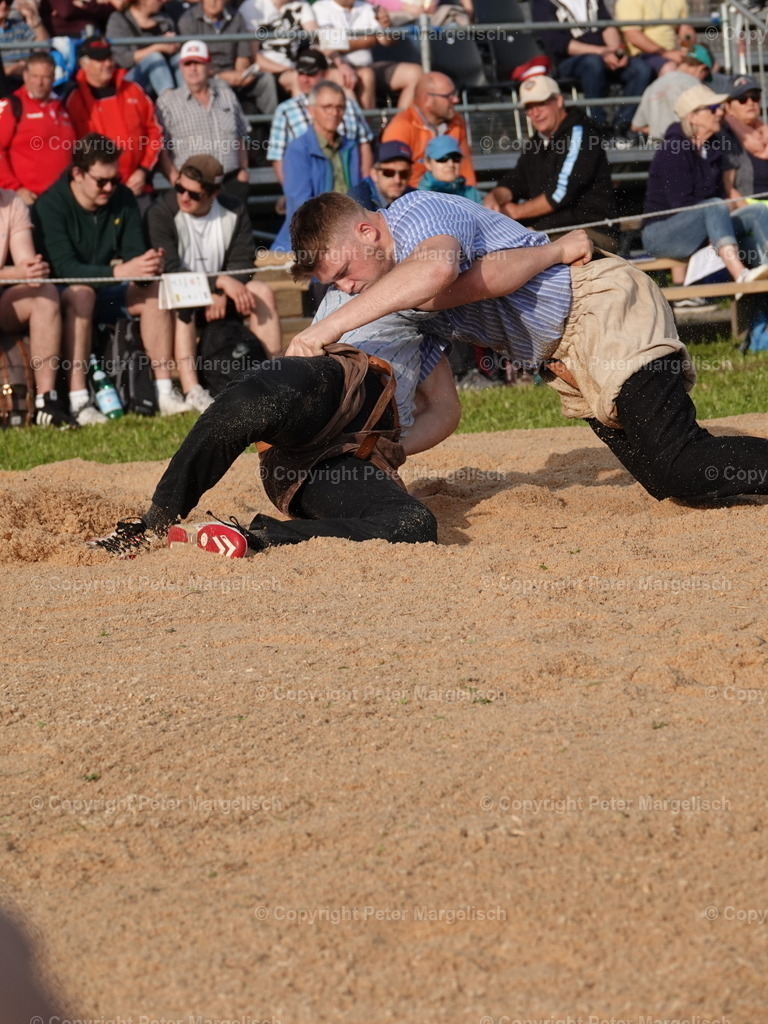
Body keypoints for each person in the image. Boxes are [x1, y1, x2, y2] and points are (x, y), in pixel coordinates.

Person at [285, 189, 768, 506]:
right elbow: (445, 411)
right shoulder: (401, 297)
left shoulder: (417, 212)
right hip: (568, 354)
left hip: (603, 308)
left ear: (368, 232)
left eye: (344, 272)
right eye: (336, 285)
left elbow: (437, 273)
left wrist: (319, 333)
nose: (346, 289)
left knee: (680, 465)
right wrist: (383, 452)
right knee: (666, 482)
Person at [32, 133, 186, 425]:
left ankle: (164, 390)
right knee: (81, 293)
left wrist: (148, 264)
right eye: (101, 181)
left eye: (115, 180)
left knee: (154, 289)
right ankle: (79, 399)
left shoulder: (123, 197)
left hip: (109, 291)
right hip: (61, 297)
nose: (110, 188)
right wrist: (122, 271)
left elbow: (133, 255)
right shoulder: (49, 205)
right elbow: (65, 269)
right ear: (77, 173)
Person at [145, 154, 281, 411]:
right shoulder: (161, 212)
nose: (184, 197)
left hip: (224, 295)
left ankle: (273, 375)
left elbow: (243, 261)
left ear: (214, 192)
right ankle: (192, 390)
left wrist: (221, 289)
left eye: (194, 194)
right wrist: (217, 283)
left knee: (262, 292)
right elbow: (171, 270)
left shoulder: (234, 209)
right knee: (184, 295)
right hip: (182, 298)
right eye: (179, 188)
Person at [642, 84, 768, 292]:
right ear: (693, 117)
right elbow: (680, 204)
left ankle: (763, 270)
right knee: (715, 206)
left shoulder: (712, 148)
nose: (720, 112)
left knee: (757, 211)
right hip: (661, 234)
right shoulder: (673, 150)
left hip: (704, 224)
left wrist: (719, 219)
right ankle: (741, 276)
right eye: (712, 109)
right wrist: (716, 218)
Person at [484, 74, 619, 252]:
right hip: (550, 230)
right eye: (529, 107)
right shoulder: (536, 142)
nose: (535, 113)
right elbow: (516, 180)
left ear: (559, 101)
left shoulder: (582, 134)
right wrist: (495, 198)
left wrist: (514, 212)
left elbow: (559, 194)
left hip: (591, 231)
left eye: (541, 104)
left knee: (524, 256)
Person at [0, 186, 75, 428]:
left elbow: (26, 264)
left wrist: (31, 271)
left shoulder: (11, 201)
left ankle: (46, 401)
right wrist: (16, 272)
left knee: (44, 294)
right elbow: (18, 271)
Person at [65, 35, 162, 200]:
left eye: (109, 57)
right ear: (84, 64)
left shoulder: (133, 90)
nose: (108, 64)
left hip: (136, 187)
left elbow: (155, 132)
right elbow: (67, 147)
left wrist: (143, 170)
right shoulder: (73, 99)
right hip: (94, 194)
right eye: (100, 60)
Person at [177, 0, 278, 158]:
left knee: (266, 80)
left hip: (235, 71)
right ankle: (230, 140)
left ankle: (275, 133)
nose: (214, 2)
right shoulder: (188, 20)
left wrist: (241, 72)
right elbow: (193, 62)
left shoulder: (236, 17)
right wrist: (221, 75)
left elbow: (243, 52)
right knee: (222, 86)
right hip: (208, 74)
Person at [155, 40, 251, 199]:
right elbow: (160, 146)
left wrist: (243, 170)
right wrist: (174, 179)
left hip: (231, 182)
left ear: (209, 66)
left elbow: (241, 135)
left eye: (198, 63)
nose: (193, 68)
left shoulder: (227, 95)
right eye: (188, 63)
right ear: (181, 67)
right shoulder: (167, 102)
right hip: (192, 188)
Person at [272, 80, 361, 251]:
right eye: (327, 107)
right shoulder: (298, 149)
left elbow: (357, 193)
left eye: (340, 107)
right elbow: (301, 206)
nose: (334, 113)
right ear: (311, 110)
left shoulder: (350, 146)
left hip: (350, 232)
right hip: (314, 237)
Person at [267, 48, 373, 188]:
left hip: (349, 186)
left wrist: (364, 186)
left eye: (311, 74)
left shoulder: (349, 105)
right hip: (308, 188)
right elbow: (277, 157)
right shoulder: (285, 111)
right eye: (300, 73)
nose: (304, 79)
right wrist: (292, 191)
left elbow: (364, 144)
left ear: (326, 74)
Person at [313, 0, 421, 110]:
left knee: (415, 73)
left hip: (368, 66)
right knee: (366, 75)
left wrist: (386, 26)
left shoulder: (367, 7)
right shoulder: (320, 7)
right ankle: (367, 124)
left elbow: (387, 41)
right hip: (335, 68)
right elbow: (329, 43)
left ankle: (399, 124)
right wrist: (369, 40)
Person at [0, 51, 76, 206]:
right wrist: (15, 189)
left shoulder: (62, 107)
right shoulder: (11, 105)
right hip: (27, 199)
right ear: (25, 75)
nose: (39, 82)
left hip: (64, 199)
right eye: (35, 76)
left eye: (45, 77)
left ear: (54, 78)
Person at [381, 72, 476, 188]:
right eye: (448, 96)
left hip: (452, 196)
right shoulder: (400, 127)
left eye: (455, 94)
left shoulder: (457, 122)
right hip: (414, 199)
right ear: (427, 99)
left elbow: (466, 172)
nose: (456, 100)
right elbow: (394, 182)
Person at [631, 44, 713, 141]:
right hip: (684, 147)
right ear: (701, 69)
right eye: (705, 77)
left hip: (656, 150)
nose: (703, 81)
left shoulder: (652, 87)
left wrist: (659, 131)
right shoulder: (694, 85)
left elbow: (636, 127)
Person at [238, 0, 319, 97]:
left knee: (326, 75)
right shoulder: (252, 6)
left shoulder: (302, 4)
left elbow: (316, 40)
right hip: (265, 70)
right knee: (297, 79)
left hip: (294, 67)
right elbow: (255, 58)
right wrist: (287, 69)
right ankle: (303, 111)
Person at [106, 0, 180, 99]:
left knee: (181, 60)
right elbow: (121, 58)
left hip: (166, 72)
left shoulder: (164, 19)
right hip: (132, 78)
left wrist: (175, 44)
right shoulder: (118, 19)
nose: (162, 1)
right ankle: (171, 102)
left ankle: (191, 101)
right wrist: (157, 47)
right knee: (154, 59)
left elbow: (176, 48)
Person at [614, 0, 696, 75]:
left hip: (670, 53)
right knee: (669, 68)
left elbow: (686, 29)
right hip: (641, 55)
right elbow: (633, 36)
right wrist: (665, 53)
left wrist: (686, 48)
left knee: (699, 67)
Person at [721, 76, 768, 207]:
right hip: (752, 208)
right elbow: (728, 188)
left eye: (755, 97)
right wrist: (753, 213)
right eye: (742, 99)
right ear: (728, 106)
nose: (750, 102)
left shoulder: (765, 131)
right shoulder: (724, 137)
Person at [347, 139, 414, 211]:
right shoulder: (357, 200)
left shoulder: (415, 197)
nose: (397, 180)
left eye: (403, 174)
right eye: (388, 173)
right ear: (374, 174)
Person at [417, 135, 483, 202]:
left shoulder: (472, 194)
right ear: (428, 163)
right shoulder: (419, 198)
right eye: (443, 159)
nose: (451, 164)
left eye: (456, 158)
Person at [0, 0, 48, 86]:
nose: (4, 5)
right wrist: (10, 70)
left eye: (8, 2)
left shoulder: (20, 26)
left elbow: (44, 48)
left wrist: (34, 19)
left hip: (26, 79)